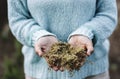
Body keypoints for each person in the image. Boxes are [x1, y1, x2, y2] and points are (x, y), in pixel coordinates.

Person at [7, 0, 118, 79]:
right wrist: (38, 36)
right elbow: (18, 18)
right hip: (39, 73)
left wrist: (87, 33)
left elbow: (107, 14)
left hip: (93, 73)